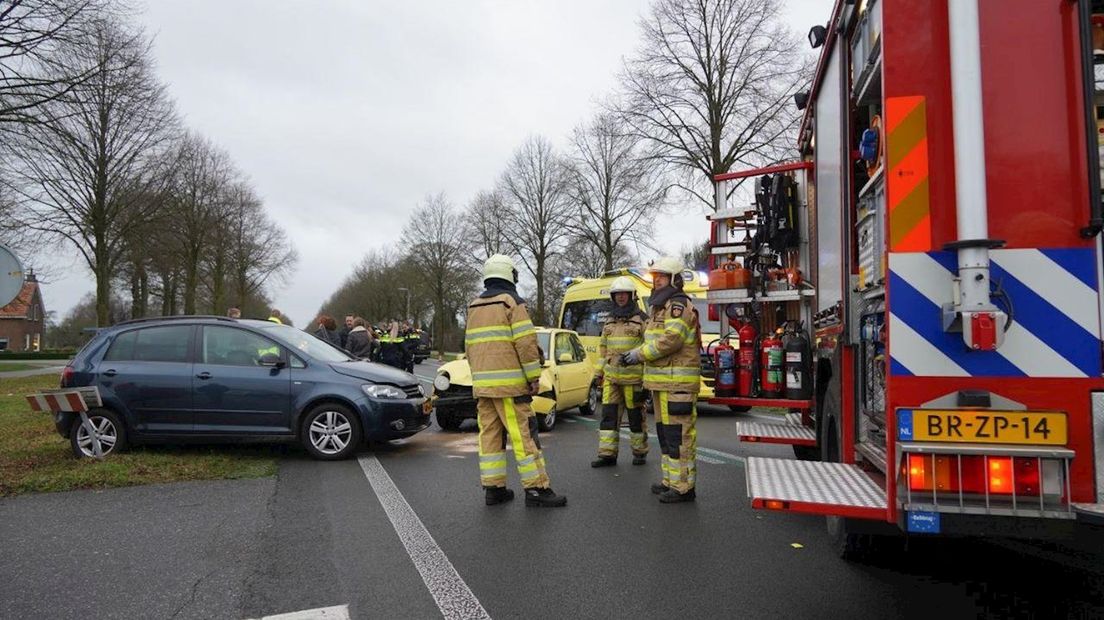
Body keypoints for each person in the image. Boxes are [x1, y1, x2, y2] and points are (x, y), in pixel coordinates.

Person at [466, 254, 566, 508]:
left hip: (484, 387)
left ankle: (494, 489)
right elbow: (526, 344)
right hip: (510, 387)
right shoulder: (512, 303)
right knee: (524, 437)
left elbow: (469, 348)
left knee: (490, 438)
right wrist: (533, 377)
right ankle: (537, 490)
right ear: (510, 274)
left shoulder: (474, 306)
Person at [620, 256, 701, 503]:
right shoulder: (660, 306)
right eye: (655, 278)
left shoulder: (678, 305)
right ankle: (671, 481)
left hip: (677, 384)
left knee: (679, 436)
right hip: (662, 383)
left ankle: (683, 487)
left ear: (675, 280)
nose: (656, 282)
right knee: (666, 435)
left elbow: (670, 340)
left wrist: (638, 355)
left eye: (662, 277)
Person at [591, 276, 650, 468]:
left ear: (631, 295)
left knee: (635, 418)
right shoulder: (609, 321)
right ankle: (607, 454)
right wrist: (598, 374)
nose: (621, 298)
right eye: (617, 294)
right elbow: (603, 348)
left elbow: (649, 348)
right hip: (611, 379)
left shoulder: (642, 320)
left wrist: (647, 379)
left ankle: (639, 452)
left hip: (634, 380)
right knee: (608, 417)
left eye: (624, 294)